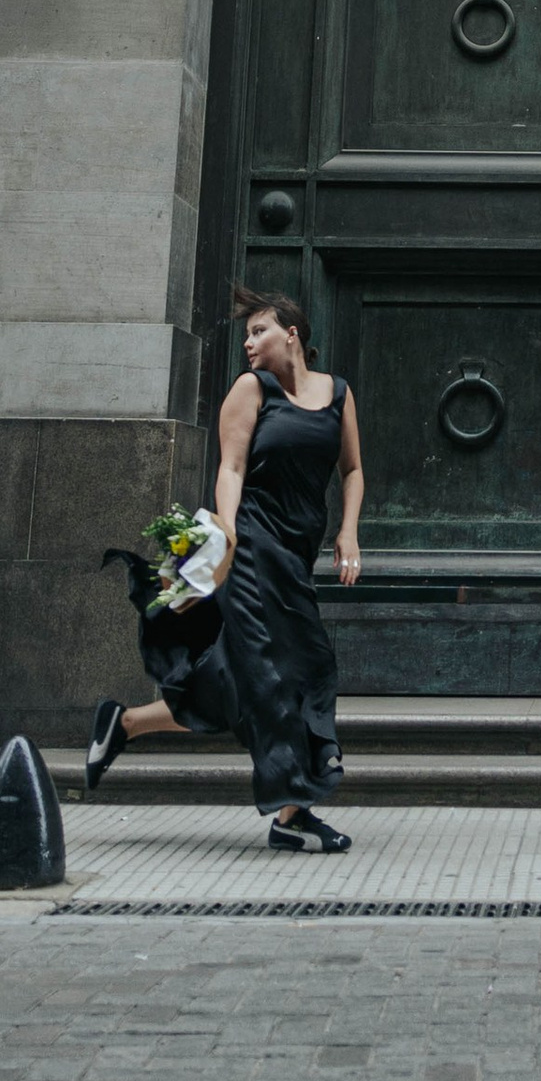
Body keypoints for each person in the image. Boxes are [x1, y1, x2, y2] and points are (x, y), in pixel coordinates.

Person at [84, 293, 364, 850]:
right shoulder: (250, 389)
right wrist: (229, 530)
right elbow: (231, 467)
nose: (248, 343)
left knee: (232, 685)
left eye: (258, 331)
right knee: (301, 670)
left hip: (297, 550)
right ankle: (293, 814)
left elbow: (353, 469)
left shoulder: (337, 393)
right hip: (254, 546)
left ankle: (126, 724)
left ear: (291, 334)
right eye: (246, 335)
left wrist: (349, 530)